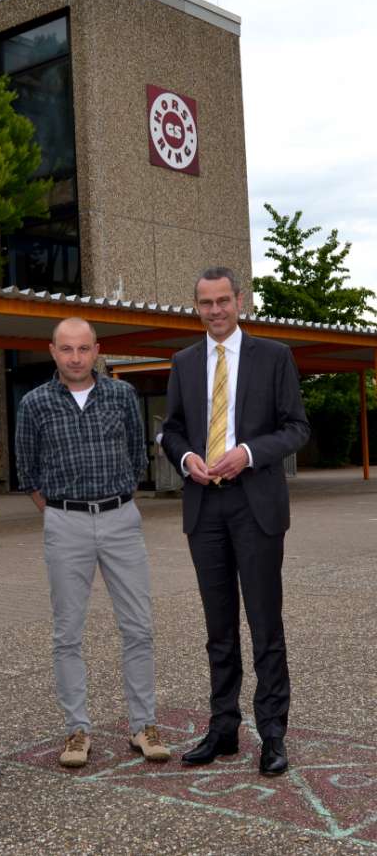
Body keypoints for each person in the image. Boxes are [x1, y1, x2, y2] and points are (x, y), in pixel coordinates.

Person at [162, 267, 310, 775]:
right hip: (205, 507)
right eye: (206, 303)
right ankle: (224, 728)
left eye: (223, 300)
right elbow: (172, 430)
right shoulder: (183, 362)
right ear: (196, 306)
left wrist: (248, 451)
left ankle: (272, 734)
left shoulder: (274, 356)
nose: (216, 310)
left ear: (239, 300)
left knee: (265, 624)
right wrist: (185, 460)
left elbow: (296, 428)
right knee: (218, 628)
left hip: (256, 505)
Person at [15, 317, 170, 768]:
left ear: (97, 350)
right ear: (52, 350)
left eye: (84, 349)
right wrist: (64, 513)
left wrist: (116, 504)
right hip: (66, 523)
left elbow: (136, 456)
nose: (76, 357)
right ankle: (76, 730)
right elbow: (27, 470)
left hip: (121, 518)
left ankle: (143, 725)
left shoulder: (122, 395)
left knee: (138, 626)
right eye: (67, 349)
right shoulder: (34, 404)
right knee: (67, 632)